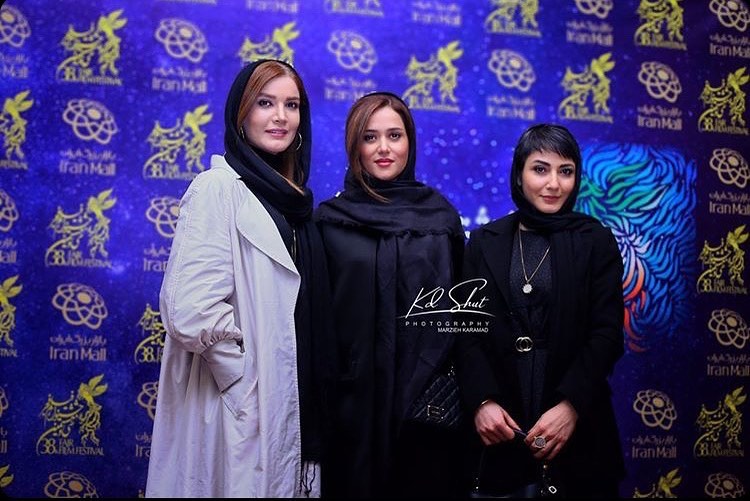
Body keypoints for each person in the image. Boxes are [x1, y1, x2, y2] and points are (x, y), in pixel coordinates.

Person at [145, 59, 334, 498]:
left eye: (291, 105)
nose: (280, 116)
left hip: (290, 403)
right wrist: (242, 378)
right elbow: (189, 308)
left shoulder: (297, 205)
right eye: (265, 103)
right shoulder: (218, 188)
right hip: (238, 405)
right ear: (241, 114)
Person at [455, 123, 625, 497]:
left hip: (579, 426)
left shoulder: (595, 240)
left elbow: (607, 334)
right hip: (501, 426)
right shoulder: (485, 241)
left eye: (566, 171)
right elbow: (466, 331)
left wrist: (571, 406)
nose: (553, 184)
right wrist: (482, 401)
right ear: (519, 175)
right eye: (540, 169)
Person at [314, 92, 470, 498]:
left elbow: (464, 318)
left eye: (394, 135)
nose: (383, 148)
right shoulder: (329, 222)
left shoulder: (441, 219)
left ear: (410, 142)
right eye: (370, 137)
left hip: (426, 405)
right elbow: (316, 322)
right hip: (352, 407)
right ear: (354, 146)